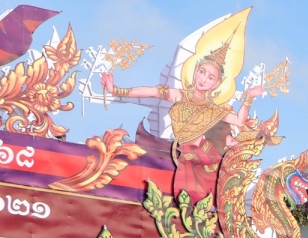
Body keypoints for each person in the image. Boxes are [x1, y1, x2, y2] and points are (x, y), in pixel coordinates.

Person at [101, 38, 262, 204]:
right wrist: (116, 90)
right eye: (202, 72)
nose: (203, 79)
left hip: (205, 156)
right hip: (182, 152)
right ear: (195, 71)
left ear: (216, 84)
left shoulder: (213, 109)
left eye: (211, 77)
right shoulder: (179, 95)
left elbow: (238, 120)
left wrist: (249, 97)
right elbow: (151, 91)